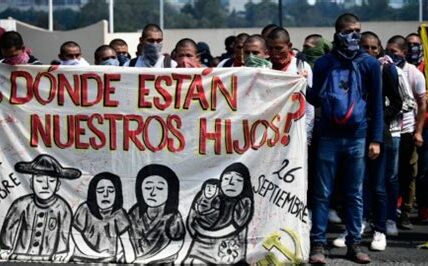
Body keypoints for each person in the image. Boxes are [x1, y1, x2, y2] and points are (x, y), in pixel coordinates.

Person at [307, 13, 384, 264]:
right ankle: (317, 244)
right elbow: (316, 98)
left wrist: (376, 139)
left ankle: (354, 244)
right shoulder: (323, 64)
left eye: (357, 31)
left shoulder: (369, 64)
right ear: (337, 32)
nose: (354, 36)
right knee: (321, 193)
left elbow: (376, 105)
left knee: (355, 193)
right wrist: (297, 85)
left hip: (357, 137)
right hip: (328, 135)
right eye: (349, 31)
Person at [0, 154, 81, 262]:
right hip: (19, 258)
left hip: (49, 259)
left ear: (58, 185)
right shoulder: (20, 204)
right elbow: (9, 228)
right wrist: (6, 248)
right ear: (31, 183)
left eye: (51, 181)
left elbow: (64, 234)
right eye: (39, 181)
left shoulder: (62, 208)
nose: (45, 186)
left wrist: (61, 252)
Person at [386, 35, 426, 230]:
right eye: (388, 51)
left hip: (408, 131)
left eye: (394, 52)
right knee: (390, 174)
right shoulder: (384, 69)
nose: (390, 55)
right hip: (390, 131)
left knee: (409, 173)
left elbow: (422, 104)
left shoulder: (414, 74)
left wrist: (418, 131)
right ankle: (390, 213)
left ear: (403, 53)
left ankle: (406, 213)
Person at [184, 162, 254, 264]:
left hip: (227, 252)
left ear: (245, 184)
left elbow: (232, 227)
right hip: (199, 248)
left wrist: (202, 231)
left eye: (238, 180)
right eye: (226, 179)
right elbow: (192, 217)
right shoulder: (212, 196)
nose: (231, 183)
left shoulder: (244, 203)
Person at [71, 172, 135, 263]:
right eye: (100, 191)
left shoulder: (119, 214)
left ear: (117, 193)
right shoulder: (85, 209)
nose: (106, 195)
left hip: (109, 261)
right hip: (82, 259)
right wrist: (93, 253)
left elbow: (126, 242)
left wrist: (130, 260)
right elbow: (75, 234)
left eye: (111, 191)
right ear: (93, 193)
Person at [266, 27, 314, 145]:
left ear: (289, 46)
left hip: (295, 135)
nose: (274, 53)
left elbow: (309, 106)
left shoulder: (301, 67)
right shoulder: (264, 68)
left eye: (279, 48)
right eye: (270, 48)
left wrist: (306, 135)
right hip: (269, 136)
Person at [128, 164, 185, 264]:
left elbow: (176, 246)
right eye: (148, 187)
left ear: (170, 191)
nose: (152, 193)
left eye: (159, 188)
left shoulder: (173, 217)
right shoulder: (134, 213)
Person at [405, 32, 428, 223]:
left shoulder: (425, 69)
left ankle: (421, 207)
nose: (413, 48)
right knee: (411, 170)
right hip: (407, 126)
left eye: (416, 44)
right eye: (409, 44)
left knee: (423, 170)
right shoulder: (401, 68)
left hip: (424, 125)